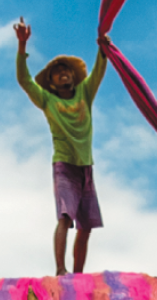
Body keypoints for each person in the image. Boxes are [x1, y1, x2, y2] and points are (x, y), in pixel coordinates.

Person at [15, 21, 103, 278]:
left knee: (85, 227)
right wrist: (22, 45)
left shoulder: (85, 93)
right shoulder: (47, 100)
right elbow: (24, 80)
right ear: (52, 83)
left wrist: (103, 48)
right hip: (64, 164)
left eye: (67, 71)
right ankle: (60, 269)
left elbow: (99, 70)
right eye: (58, 72)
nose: (63, 73)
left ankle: (77, 275)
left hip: (85, 165)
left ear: (74, 78)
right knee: (65, 216)